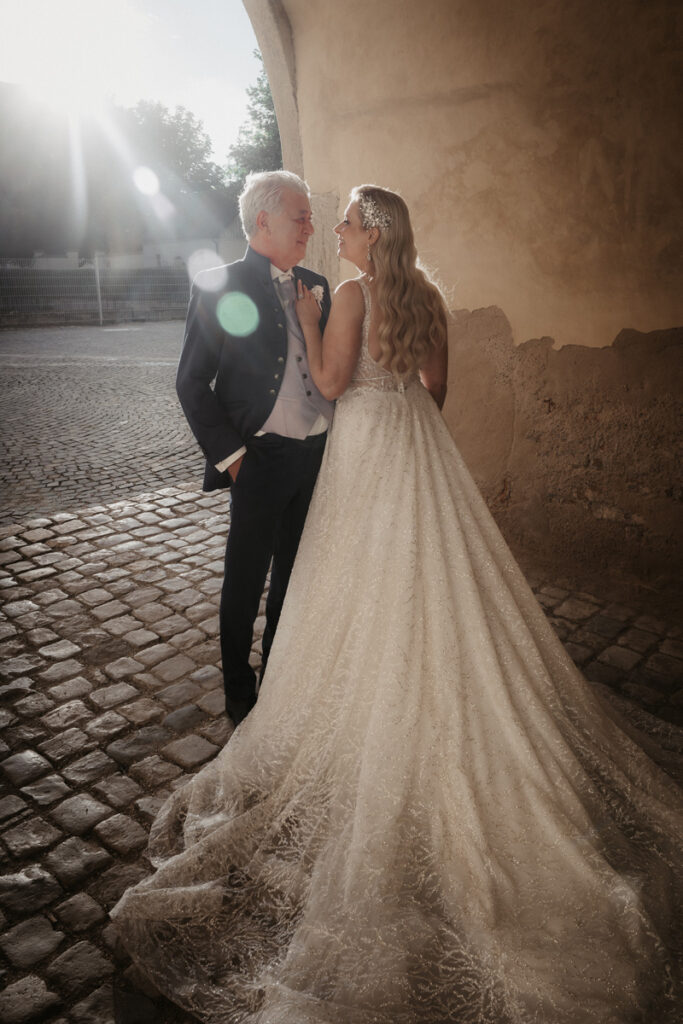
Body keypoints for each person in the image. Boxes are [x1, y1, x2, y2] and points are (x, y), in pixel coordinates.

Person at [113, 186, 682, 1023]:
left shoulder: (341, 291)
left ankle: (321, 695)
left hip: (356, 455)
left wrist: (312, 331)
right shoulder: (426, 294)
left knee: (345, 578)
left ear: (366, 233)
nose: (327, 228)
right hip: (409, 448)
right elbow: (434, 388)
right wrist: (266, 445)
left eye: (337, 218)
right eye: (315, 218)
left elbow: (335, 382)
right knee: (413, 572)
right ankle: (264, 682)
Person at [176, 170, 333, 726]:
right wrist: (234, 459)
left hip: (315, 457)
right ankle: (240, 695)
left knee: (294, 575)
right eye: (301, 216)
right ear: (263, 220)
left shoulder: (317, 283)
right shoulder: (219, 285)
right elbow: (191, 382)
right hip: (259, 459)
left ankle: (278, 683)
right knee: (244, 582)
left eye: (310, 216)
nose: (311, 226)